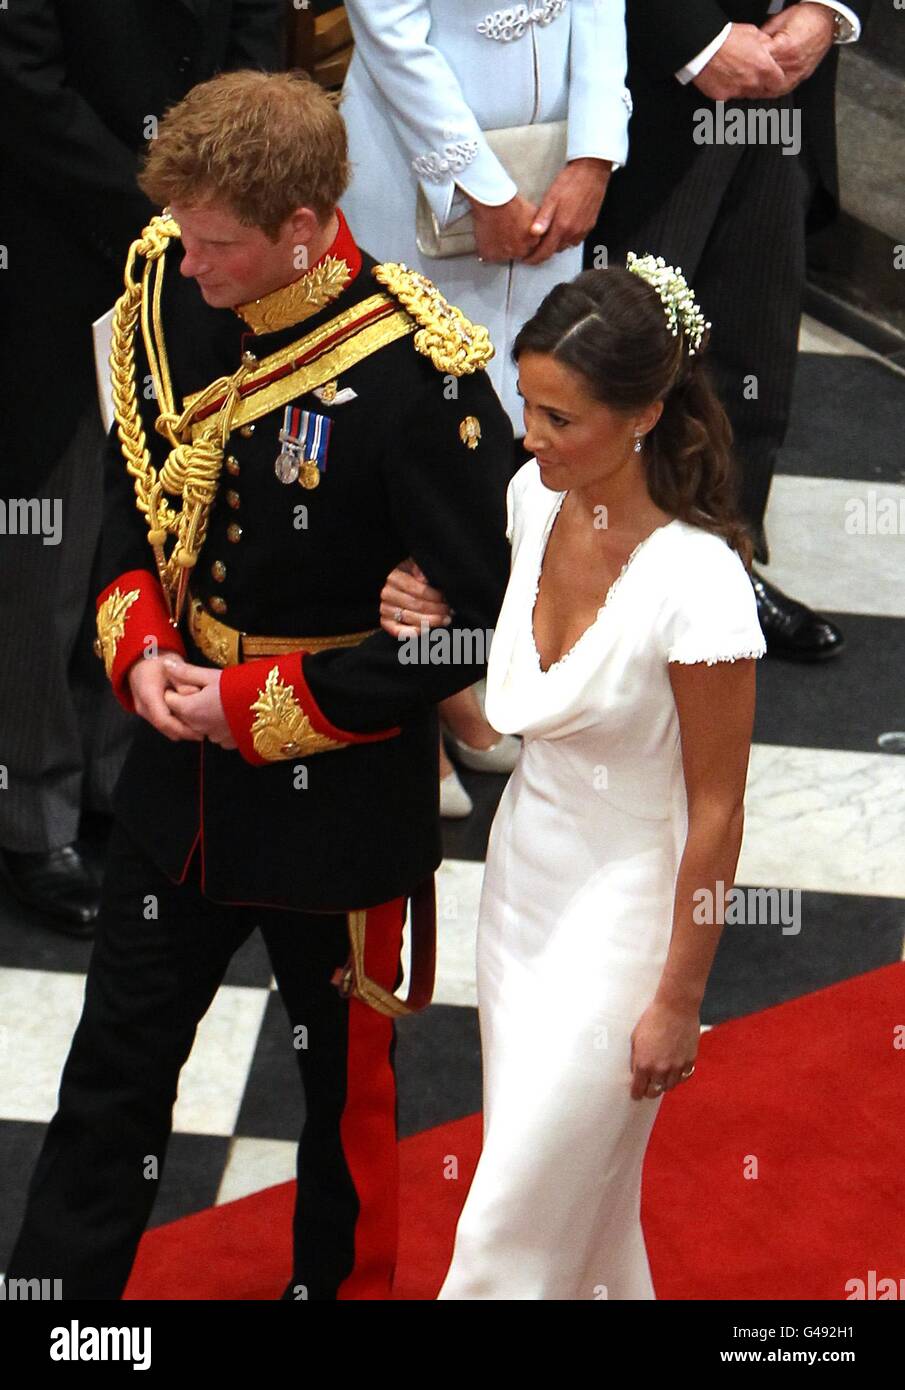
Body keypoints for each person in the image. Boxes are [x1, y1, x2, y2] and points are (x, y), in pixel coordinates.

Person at [4, 69, 512, 1301]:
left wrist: (254, 707)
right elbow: (139, 507)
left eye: (217, 243)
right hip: (177, 793)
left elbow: (476, 628)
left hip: (335, 809)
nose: (189, 265)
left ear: (301, 229)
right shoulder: (173, 294)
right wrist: (137, 654)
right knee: (113, 1068)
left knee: (342, 1100)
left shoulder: (419, 376)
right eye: (182, 234)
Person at [380, 257, 767, 1298]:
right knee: (576, 1220)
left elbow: (719, 809)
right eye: (528, 406)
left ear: (642, 412)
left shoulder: (700, 586)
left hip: (624, 925)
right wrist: (430, 646)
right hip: (519, 895)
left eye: (559, 418)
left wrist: (680, 995)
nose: (528, 436)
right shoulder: (529, 501)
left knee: (505, 1230)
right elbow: (508, 713)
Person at [0, 0, 286, 933]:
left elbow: (255, 39)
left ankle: (124, 779)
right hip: (50, 251)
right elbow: (23, 81)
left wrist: (207, 205)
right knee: (47, 552)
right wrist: (166, 207)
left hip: (193, 266)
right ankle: (32, 818)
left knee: (156, 527)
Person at [339, 0, 633, 814]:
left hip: (552, 173)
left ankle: (455, 675)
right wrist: (479, 183)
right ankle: (401, 706)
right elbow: (389, 29)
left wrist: (593, 155)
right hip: (418, 164)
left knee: (508, 417)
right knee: (407, 418)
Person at [589, 0, 872, 661]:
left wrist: (825, 11)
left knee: (751, 339)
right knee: (622, 353)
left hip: (780, 89)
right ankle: (595, 582)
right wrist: (695, 40)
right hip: (651, 79)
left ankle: (722, 566)